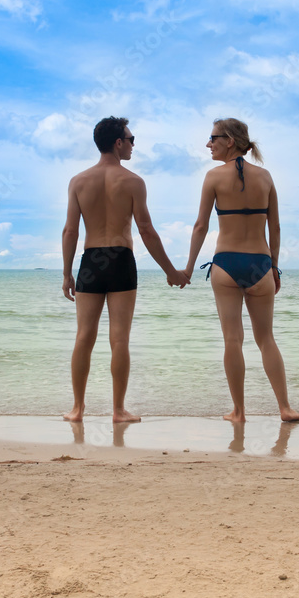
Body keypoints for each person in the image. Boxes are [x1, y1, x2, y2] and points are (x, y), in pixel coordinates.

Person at [62, 116, 190, 423]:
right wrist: (171, 271)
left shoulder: (78, 181)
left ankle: (77, 409)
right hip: (120, 259)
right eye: (131, 140)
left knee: (83, 337)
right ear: (118, 142)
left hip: (91, 261)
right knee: (119, 339)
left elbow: (70, 231)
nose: (134, 145)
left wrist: (67, 273)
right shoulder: (133, 182)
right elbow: (146, 230)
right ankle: (118, 411)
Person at [184, 118, 299, 423]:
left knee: (232, 340)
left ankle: (238, 412)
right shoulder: (265, 177)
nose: (208, 144)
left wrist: (188, 268)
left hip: (225, 264)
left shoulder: (213, 177)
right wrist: (274, 267)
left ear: (229, 141)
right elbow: (275, 227)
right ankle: (285, 408)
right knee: (266, 339)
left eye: (212, 138)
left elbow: (201, 226)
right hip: (260, 265)